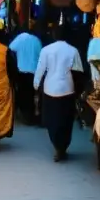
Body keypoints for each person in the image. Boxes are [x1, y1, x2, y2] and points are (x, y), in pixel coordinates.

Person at [34, 26, 85, 161]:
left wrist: (36, 83)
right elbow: (79, 71)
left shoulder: (46, 50)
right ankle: (62, 147)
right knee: (66, 120)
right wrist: (80, 91)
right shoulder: (73, 50)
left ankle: (57, 145)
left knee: (51, 119)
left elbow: (40, 69)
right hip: (67, 89)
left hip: (49, 88)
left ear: (54, 35)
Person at [9, 27, 43, 125]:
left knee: (22, 93)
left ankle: (24, 114)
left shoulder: (21, 38)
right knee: (32, 93)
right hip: (34, 72)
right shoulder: (37, 40)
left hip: (21, 70)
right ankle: (31, 114)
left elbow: (11, 48)